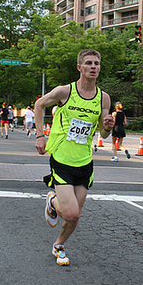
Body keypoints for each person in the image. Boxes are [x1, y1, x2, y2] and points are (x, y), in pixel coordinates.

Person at [34, 49, 114, 266]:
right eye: (89, 63)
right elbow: (39, 104)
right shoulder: (64, 92)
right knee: (70, 213)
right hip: (61, 158)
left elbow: (104, 134)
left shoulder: (103, 98)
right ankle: (52, 200)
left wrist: (107, 127)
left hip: (85, 161)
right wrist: (40, 135)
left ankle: (59, 245)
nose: (94, 67)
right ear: (80, 67)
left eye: (97, 63)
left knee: (75, 216)